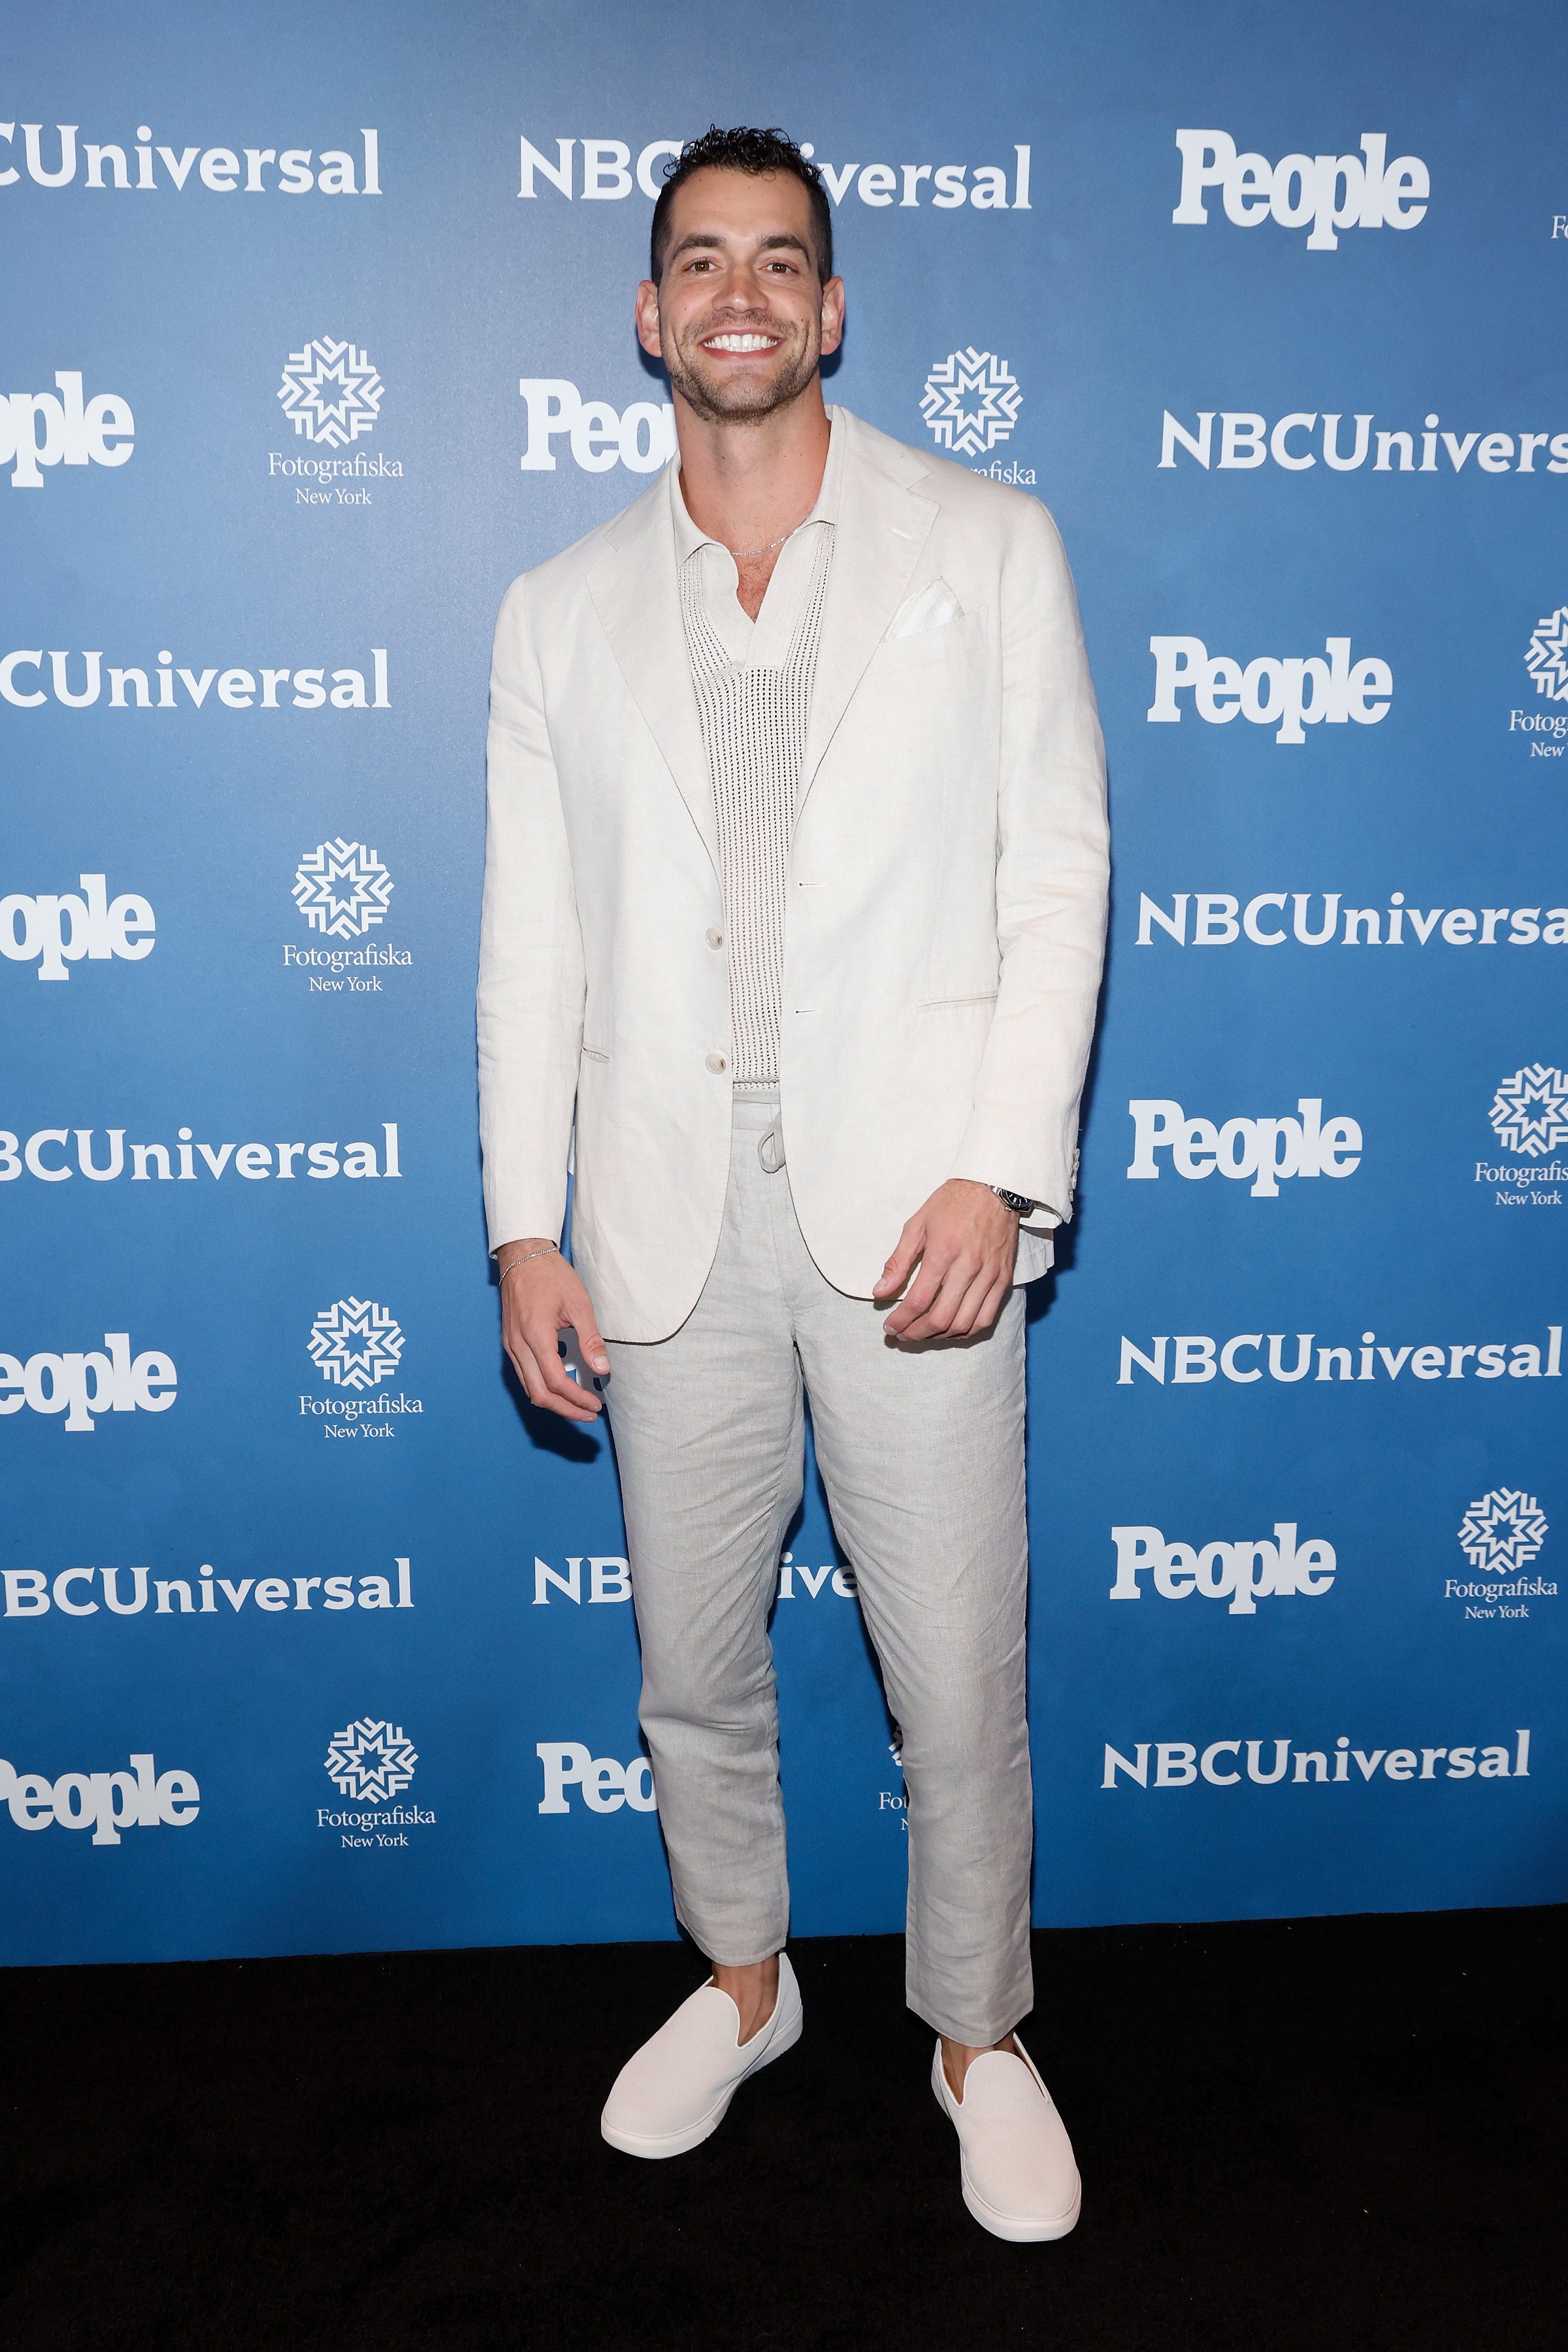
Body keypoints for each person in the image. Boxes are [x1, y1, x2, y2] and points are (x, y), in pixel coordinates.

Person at [478, 125, 1107, 2243]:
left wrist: (999, 1175)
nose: (739, 293)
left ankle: (974, 2031)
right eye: (698, 262)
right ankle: (744, 1988)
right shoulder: (554, 609)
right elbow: (527, 943)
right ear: (649, 316)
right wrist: (521, 1220)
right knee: (693, 1667)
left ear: (831, 310)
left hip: (911, 1216)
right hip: (665, 1220)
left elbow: (1056, 878)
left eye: (782, 261)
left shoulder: (988, 543)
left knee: (954, 1667)